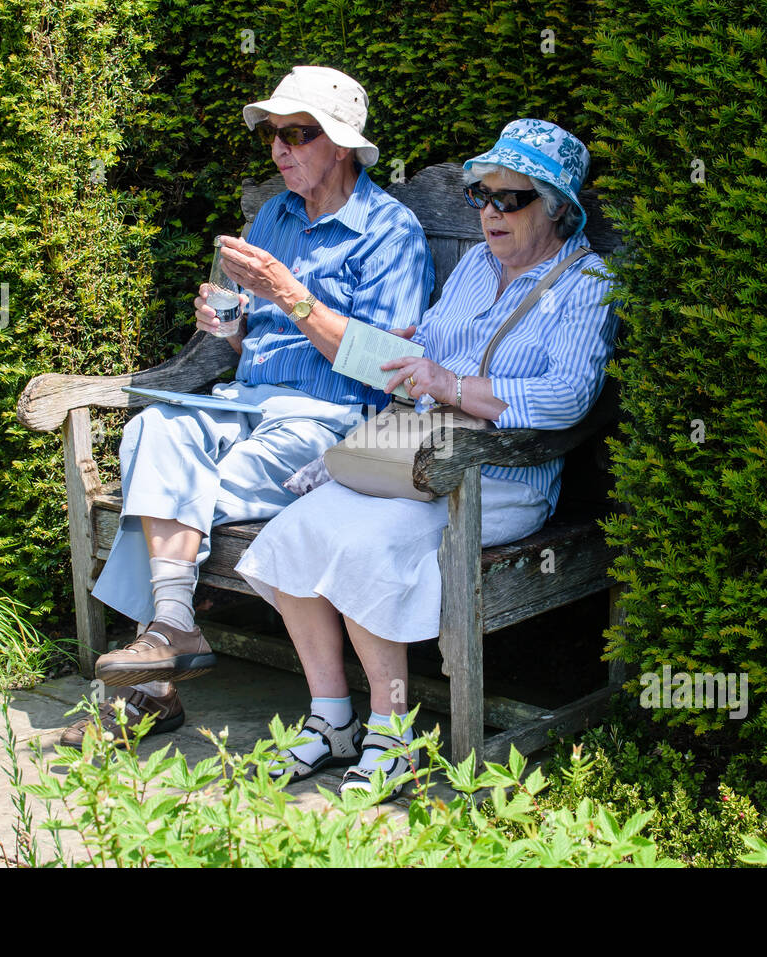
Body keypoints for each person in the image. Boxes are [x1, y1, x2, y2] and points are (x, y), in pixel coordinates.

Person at [234, 119, 620, 794]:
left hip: (498, 471)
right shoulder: (475, 265)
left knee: (368, 544)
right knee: (296, 528)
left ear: (557, 207)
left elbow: (566, 398)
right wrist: (383, 349)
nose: (490, 213)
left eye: (512, 198)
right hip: (416, 451)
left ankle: (394, 734)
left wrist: (452, 385)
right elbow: (420, 349)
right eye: (481, 194)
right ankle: (332, 719)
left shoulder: (586, 283)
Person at [60, 66, 435, 746]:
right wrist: (227, 327)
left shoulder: (391, 232)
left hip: (326, 420)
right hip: (244, 401)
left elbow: (390, 372)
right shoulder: (274, 215)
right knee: (154, 431)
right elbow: (244, 340)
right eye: (272, 133)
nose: (278, 148)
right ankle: (174, 620)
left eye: (297, 133)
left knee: (170, 492)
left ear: (343, 144)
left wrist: (289, 293)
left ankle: (154, 679)